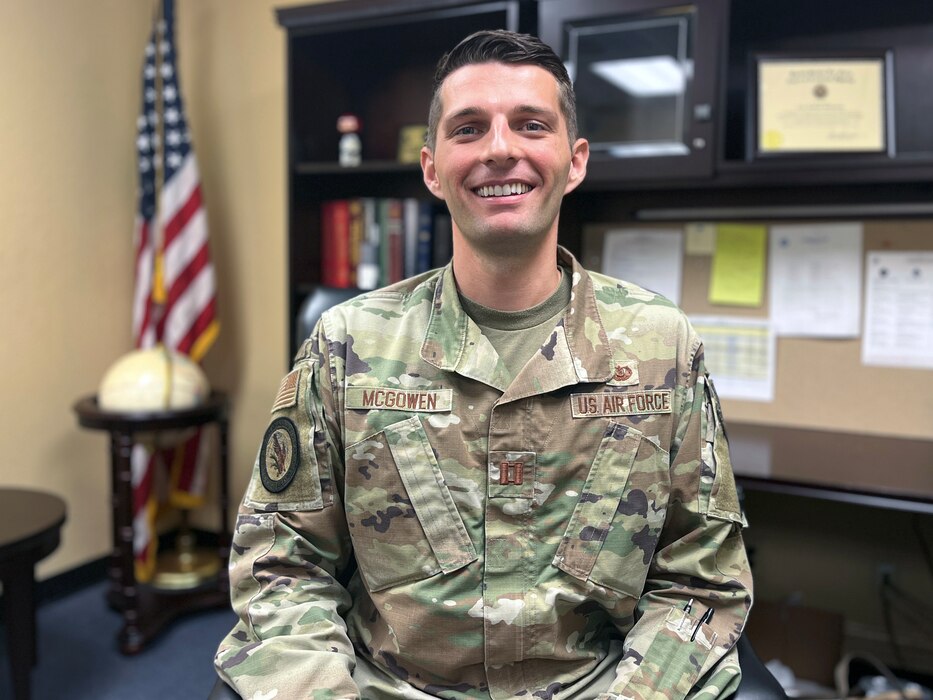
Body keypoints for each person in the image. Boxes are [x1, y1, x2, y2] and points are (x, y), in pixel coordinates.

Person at [215, 29, 752, 700]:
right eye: (469, 129)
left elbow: (698, 580)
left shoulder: (660, 347)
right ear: (432, 168)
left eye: (531, 125)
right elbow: (280, 565)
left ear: (574, 160)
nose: (500, 149)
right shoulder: (347, 343)